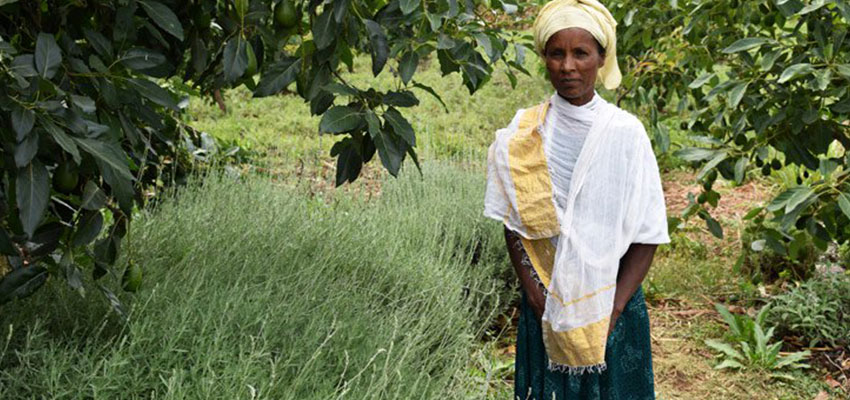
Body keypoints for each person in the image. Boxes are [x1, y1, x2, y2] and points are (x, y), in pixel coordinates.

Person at [483, 0, 671, 398]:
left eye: (581, 53)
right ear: (545, 59)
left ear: (601, 58)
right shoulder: (523, 134)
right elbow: (514, 223)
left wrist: (613, 309)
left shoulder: (625, 134)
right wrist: (534, 292)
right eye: (557, 54)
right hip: (546, 301)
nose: (568, 66)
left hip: (613, 302)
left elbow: (648, 231)